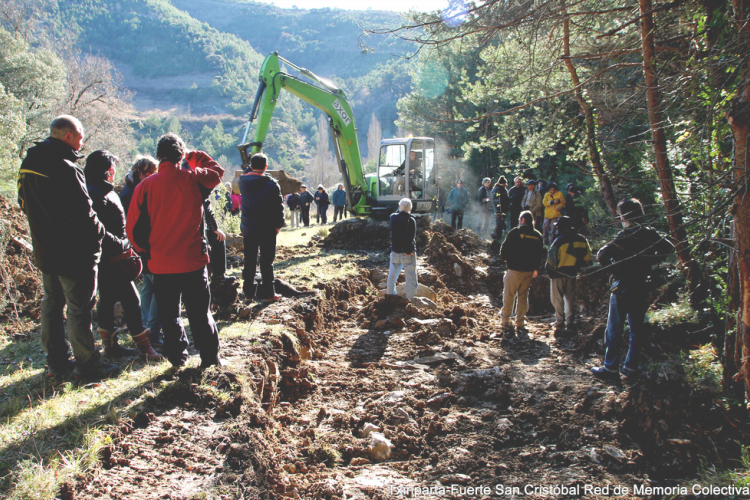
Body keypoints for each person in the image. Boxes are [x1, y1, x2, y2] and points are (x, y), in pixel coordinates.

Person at [18, 115, 119, 380]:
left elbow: (22, 203)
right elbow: (85, 213)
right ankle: (88, 364)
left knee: (51, 304)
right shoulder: (65, 166)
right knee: (78, 308)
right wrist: (100, 236)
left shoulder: (28, 163)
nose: (82, 143)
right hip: (74, 253)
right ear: (69, 136)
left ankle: (57, 362)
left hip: (44, 249)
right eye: (80, 137)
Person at [127, 133, 224, 370]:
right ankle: (210, 359)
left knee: (170, 315)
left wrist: (146, 252)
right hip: (193, 261)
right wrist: (190, 155)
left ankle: (177, 358)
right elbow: (217, 171)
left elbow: (132, 229)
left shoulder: (145, 187)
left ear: (159, 156)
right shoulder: (194, 179)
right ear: (181, 155)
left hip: (161, 263)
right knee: (200, 313)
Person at [84, 151, 164, 360]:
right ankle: (144, 347)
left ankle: (111, 347)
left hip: (111, 256)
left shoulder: (99, 189)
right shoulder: (96, 193)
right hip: (111, 257)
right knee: (132, 300)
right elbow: (98, 228)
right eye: (112, 167)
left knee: (108, 300)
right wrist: (122, 244)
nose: (114, 172)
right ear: (106, 170)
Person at [592, 199, 675, 380]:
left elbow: (602, 254)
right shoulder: (649, 234)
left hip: (622, 285)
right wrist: (650, 262)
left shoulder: (625, 235)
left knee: (614, 329)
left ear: (623, 216)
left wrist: (614, 269)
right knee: (637, 329)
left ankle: (611, 367)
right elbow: (669, 247)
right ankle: (631, 367)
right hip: (641, 285)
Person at [121, 156, 163, 348]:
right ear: (141, 173)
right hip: (144, 247)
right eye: (150, 174)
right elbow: (139, 223)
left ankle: (146, 325)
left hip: (139, 247)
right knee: (159, 289)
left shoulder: (130, 188)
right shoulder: (133, 193)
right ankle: (153, 331)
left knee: (148, 287)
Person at [239, 153, 285, 302]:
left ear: (251, 166)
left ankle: (248, 293)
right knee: (266, 262)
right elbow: (279, 208)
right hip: (267, 229)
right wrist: (278, 226)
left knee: (250, 260)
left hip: (249, 229)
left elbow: (247, 173)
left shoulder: (242, 182)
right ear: (266, 167)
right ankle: (269, 293)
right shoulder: (271, 184)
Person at [499, 211, 546, 335]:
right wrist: (536, 268)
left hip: (514, 270)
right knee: (523, 296)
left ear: (523, 220)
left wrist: (507, 260)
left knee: (509, 295)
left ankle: (505, 321)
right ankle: (520, 322)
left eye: (520, 219)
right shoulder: (537, 235)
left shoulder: (515, 232)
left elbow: (503, 249)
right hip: (529, 271)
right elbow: (540, 253)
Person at [546, 216, 591, 336]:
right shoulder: (581, 239)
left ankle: (559, 321)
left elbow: (551, 259)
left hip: (558, 274)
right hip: (572, 274)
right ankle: (570, 321)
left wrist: (550, 272)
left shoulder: (559, 240)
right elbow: (587, 257)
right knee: (569, 298)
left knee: (557, 299)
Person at [386, 198, 418, 299]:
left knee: (392, 277)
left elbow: (397, 213)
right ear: (410, 209)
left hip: (395, 251)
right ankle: (411, 300)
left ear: (399, 207)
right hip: (407, 253)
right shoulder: (411, 220)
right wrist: (411, 251)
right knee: (411, 278)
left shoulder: (393, 218)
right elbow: (411, 237)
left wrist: (401, 208)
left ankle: (391, 297)